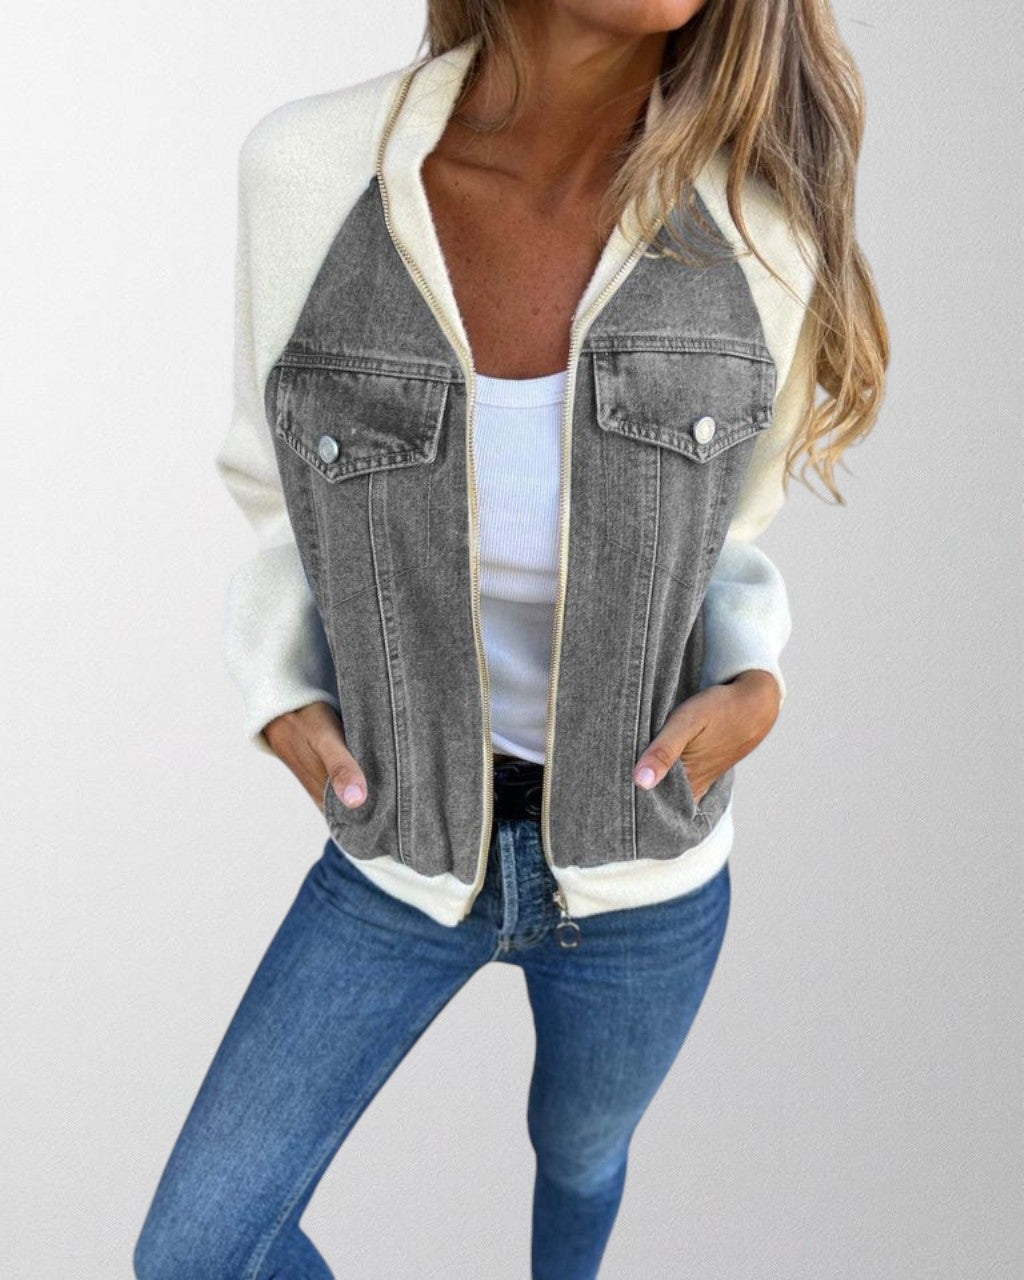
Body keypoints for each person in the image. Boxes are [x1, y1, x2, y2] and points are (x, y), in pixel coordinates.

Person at [134, 2, 887, 1276]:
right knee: (195, 1251)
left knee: (580, 1156)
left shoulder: (760, 232)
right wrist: (275, 688)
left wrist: (755, 680)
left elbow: (730, 536)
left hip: (642, 864)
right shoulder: (314, 173)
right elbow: (273, 483)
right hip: (405, 842)